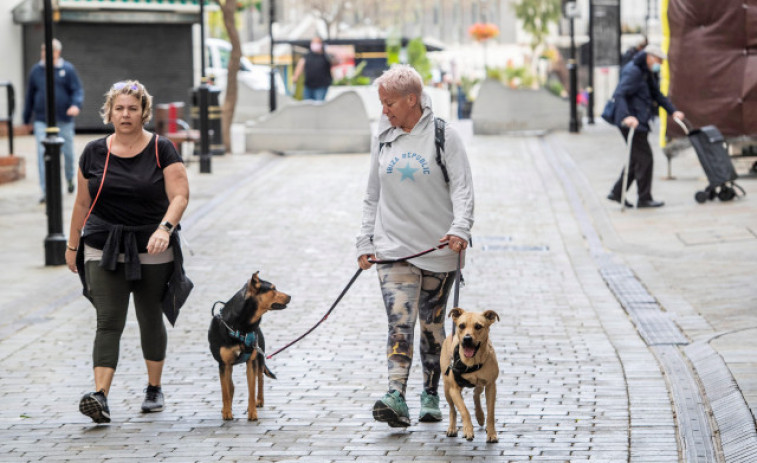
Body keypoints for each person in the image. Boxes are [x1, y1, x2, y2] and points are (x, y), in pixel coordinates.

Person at [64, 80, 189, 424]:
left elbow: (179, 195)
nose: (125, 114)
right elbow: (81, 203)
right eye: (119, 108)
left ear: (144, 113)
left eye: (133, 108)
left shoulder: (162, 149)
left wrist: (165, 229)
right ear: (109, 112)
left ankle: (153, 388)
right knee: (108, 322)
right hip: (102, 246)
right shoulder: (93, 151)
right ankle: (100, 396)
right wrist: (72, 245)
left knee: (150, 316)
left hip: (151, 246)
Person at [356, 64, 474, 427]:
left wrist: (461, 229)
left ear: (412, 100)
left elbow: (463, 189)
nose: (384, 110)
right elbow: (371, 194)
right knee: (400, 323)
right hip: (392, 250)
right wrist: (364, 239)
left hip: (438, 250)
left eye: (389, 102)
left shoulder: (444, 136)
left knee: (432, 328)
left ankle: (430, 393)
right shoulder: (384, 136)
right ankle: (395, 394)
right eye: (381, 103)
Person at [607, 45, 684, 208]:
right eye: (659, 61)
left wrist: (673, 111)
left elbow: (657, 94)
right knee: (645, 159)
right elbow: (620, 94)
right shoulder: (634, 71)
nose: (661, 64)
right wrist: (627, 116)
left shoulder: (645, 72)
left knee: (637, 159)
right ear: (650, 57)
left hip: (638, 120)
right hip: (631, 122)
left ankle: (617, 192)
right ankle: (644, 198)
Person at [22, 38, 84, 203]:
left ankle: (70, 178)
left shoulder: (67, 70)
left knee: (68, 154)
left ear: (57, 52)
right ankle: (46, 191)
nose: (44, 54)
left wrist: (76, 105)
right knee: (44, 155)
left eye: (48, 51)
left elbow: (77, 90)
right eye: (43, 51)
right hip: (42, 120)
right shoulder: (36, 71)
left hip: (64, 119)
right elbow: (30, 95)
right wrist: (26, 118)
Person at [292, 37, 332, 101]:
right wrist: (295, 76)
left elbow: (335, 61)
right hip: (308, 85)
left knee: (318, 106)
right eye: (313, 42)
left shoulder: (326, 56)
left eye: (317, 43)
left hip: (321, 86)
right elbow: (300, 65)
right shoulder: (307, 55)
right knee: (307, 106)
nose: (315, 44)